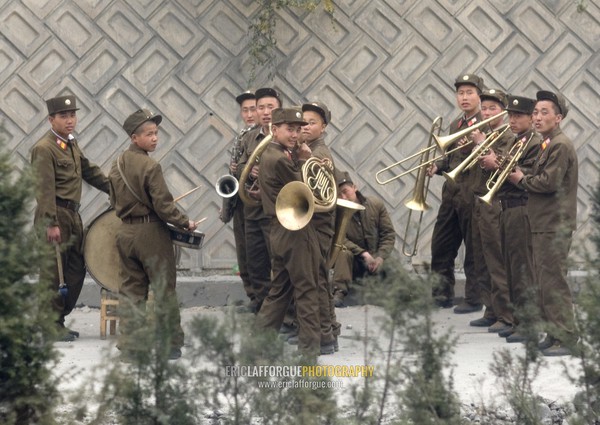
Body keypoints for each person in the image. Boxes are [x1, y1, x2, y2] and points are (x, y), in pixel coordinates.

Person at [108, 108, 197, 360]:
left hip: (125, 231)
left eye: (156, 133)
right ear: (134, 138)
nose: (155, 138)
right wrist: (184, 222)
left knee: (131, 291)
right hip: (151, 233)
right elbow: (164, 205)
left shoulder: (116, 164)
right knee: (163, 289)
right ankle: (170, 344)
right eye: (149, 134)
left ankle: (131, 347)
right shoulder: (150, 165)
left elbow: (112, 199)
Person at [31, 95, 110, 341]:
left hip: (73, 214)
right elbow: (43, 189)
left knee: (75, 269)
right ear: (51, 119)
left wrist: (115, 187)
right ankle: (49, 324)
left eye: (72, 115)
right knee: (54, 272)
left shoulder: (70, 143)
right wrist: (50, 223)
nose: (69, 120)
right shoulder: (44, 148)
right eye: (63, 116)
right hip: (55, 215)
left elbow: (89, 171)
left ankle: (57, 319)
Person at [508, 91, 578, 356]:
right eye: (535, 112)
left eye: (544, 112)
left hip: (553, 223)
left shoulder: (560, 144)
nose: (537, 117)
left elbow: (548, 183)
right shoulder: (549, 143)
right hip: (543, 222)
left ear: (558, 118)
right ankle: (554, 333)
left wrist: (519, 179)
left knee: (553, 281)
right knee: (545, 280)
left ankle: (566, 337)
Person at [255, 107, 322, 356]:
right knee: (307, 289)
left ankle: (258, 343)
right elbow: (304, 186)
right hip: (294, 232)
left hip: (279, 230)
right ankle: (309, 353)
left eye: (297, 129)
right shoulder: (281, 158)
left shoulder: (273, 153)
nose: (295, 135)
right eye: (289, 130)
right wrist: (305, 160)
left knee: (280, 290)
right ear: (274, 130)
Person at [477, 95, 541, 337]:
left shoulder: (533, 143)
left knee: (522, 269)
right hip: (506, 207)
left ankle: (529, 324)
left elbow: (524, 175)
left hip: (521, 207)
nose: (512, 120)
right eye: (511, 116)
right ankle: (517, 321)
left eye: (518, 116)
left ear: (529, 118)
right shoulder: (518, 141)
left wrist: (497, 163)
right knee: (512, 268)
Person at [427, 74, 483, 313]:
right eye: (461, 93)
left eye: (470, 92)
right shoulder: (455, 125)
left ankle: (473, 298)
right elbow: (451, 159)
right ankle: (440, 295)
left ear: (479, 95)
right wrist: (438, 166)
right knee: (441, 246)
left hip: (472, 195)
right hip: (451, 194)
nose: (465, 98)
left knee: (473, 249)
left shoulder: (486, 124)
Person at [467, 89, 512, 328]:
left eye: (492, 108)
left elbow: (500, 165)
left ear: (503, 112)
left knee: (496, 258)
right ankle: (490, 308)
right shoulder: (483, 134)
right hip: (478, 200)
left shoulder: (507, 136)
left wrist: (482, 145)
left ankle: (505, 314)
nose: (486, 112)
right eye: (484, 108)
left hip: (494, 204)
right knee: (480, 258)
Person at [297, 101, 338, 353]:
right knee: (318, 277)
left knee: (318, 279)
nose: (306, 127)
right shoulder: (308, 149)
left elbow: (320, 191)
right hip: (314, 222)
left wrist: (304, 159)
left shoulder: (318, 153)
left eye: (312, 123)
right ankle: (328, 331)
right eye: (303, 122)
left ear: (323, 127)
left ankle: (325, 334)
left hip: (319, 223)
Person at [235, 88, 281, 312]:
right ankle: (263, 307)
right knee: (255, 263)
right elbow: (240, 165)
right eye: (260, 107)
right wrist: (249, 170)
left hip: (275, 210)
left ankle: (282, 310)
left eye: (269, 107)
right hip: (252, 210)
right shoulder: (250, 137)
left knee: (279, 262)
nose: (264, 112)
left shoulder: (285, 133)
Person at [332, 170, 396, 308]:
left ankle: (394, 293)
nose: (343, 197)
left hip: (376, 259)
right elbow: (339, 238)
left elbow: (388, 234)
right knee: (343, 253)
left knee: (394, 262)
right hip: (354, 262)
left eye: (346, 191)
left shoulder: (375, 204)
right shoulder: (336, 212)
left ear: (355, 187)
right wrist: (363, 253)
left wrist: (380, 257)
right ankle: (339, 293)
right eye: (339, 194)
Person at [220, 91, 258, 311]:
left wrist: (242, 168)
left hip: (255, 201)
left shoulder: (265, 135)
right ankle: (253, 297)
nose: (250, 114)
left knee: (256, 255)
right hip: (240, 202)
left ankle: (261, 300)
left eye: (254, 109)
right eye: (245, 110)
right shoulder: (243, 134)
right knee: (243, 254)